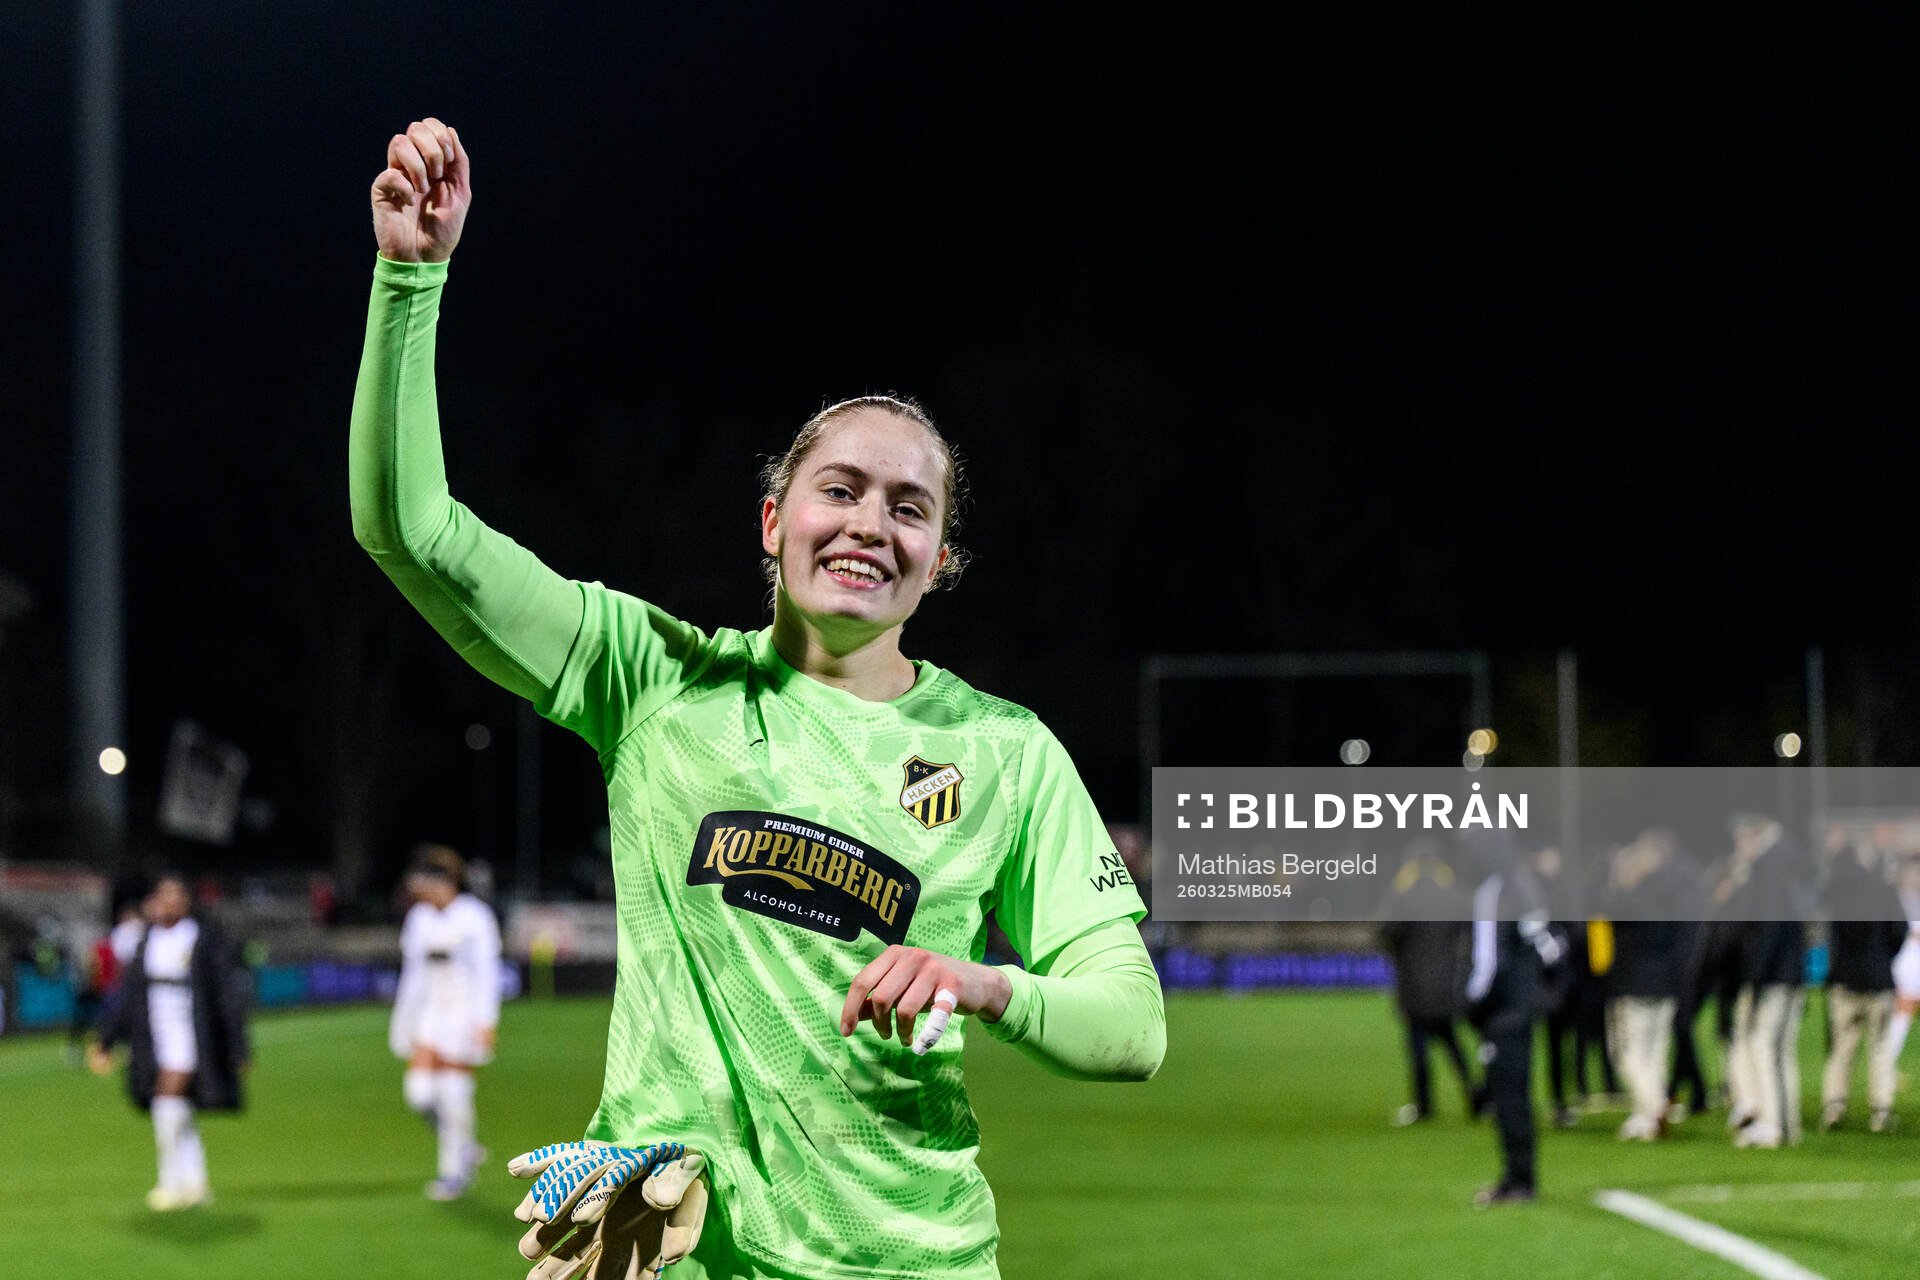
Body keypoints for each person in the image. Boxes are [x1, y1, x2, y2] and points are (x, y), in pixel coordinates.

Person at [351, 118, 1166, 1280]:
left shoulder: (1003, 750)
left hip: (904, 1254)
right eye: (839, 489)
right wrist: (409, 280)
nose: (870, 524)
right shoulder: (651, 674)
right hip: (653, 1236)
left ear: (938, 560)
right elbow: (410, 530)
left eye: (909, 507)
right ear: (776, 521)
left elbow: (1133, 1027)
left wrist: (987, 982)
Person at [89, 873, 251, 1210]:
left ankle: (169, 1181)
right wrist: (105, 1040)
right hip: (156, 1035)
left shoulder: (202, 940)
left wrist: (237, 1046)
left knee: (166, 1098)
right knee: (178, 1108)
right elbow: (127, 995)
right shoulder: (146, 942)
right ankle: (195, 1181)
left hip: (192, 1034)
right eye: (162, 896)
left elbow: (226, 995)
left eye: (175, 895)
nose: (167, 903)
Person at [389, 845, 503, 1199]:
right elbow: (413, 976)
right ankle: (465, 1147)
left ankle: (454, 1171)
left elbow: (487, 973)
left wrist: (486, 1022)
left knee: (454, 1095)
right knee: (419, 1093)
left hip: (463, 1015)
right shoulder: (419, 919)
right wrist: (403, 1022)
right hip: (429, 1015)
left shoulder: (475, 917)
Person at [1819, 837, 1905, 1133]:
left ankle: (1834, 1107)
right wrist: (1884, 958)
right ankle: (1881, 1110)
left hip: (1844, 981)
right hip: (1878, 981)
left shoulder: (1837, 890)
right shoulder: (1884, 889)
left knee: (1841, 1048)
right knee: (1879, 1047)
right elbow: (1900, 930)